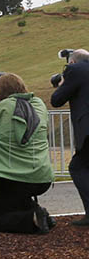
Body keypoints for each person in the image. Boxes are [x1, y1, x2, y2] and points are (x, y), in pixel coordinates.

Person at [0, 73, 55, 234]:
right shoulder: (39, 104)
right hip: (42, 176)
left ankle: (33, 219)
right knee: (15, 202)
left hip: (14, 177)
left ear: (0, 93)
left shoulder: (5, 106)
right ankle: (42, 216)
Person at [51, 48, 89, 226]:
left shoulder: (74, 70)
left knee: (77, 167)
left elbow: (57, 100)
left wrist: (63, 82)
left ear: (72, 62)